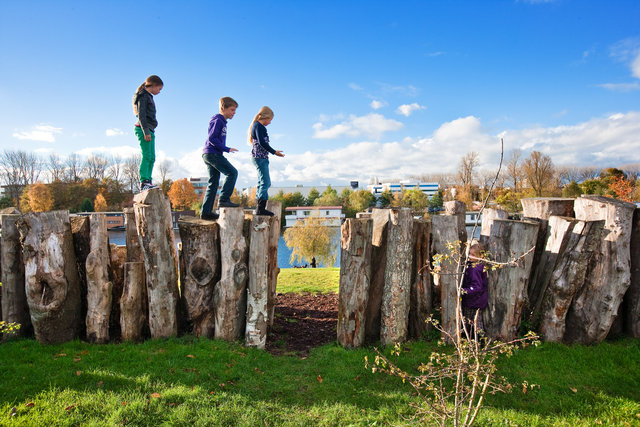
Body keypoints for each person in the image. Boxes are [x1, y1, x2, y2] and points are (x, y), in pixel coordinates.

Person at [201, 97, 240, 221]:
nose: (234, 112)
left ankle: (206, 212)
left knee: (213, 183)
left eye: (235, 110)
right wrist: (226, 148)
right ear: (223, 108)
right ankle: (223, 200)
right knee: (232, 173)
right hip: (213, 154)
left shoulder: (222, 121)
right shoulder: (218, 120)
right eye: (232, 110)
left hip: (210, 154)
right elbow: (212, 139)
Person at [247, 106, 284, 216]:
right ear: (265, 117)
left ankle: (259, 207)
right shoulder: (259, 126)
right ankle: (260, 208)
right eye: (270, 120)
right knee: (266, 182)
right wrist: (274, 152)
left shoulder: (258, 126)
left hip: (260, 158)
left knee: (261, 182)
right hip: (260, 158)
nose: (270, 122)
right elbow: (262, 143)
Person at [133, 75, 163, 191]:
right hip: (143, 129)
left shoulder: (149, 97)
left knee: (152, 156)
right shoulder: (143, 96)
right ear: (154, 85)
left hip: (150, 129)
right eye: (159, 89)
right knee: (146, 155)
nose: (159, 92)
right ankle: (144, 181)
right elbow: (141, 115)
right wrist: (146, 131)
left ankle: (148, 181)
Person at [461, 243, 488, 339]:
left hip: (475, 300)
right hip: (473, 300)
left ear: (481, 256)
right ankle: (470, 339)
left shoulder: (475, 269)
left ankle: (480, 340)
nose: (469, 256)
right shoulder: (474, 266)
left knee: (475, 321)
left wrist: (464, 291)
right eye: (469, 254)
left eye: (473, 255)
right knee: (469, 319)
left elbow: (477, 287)